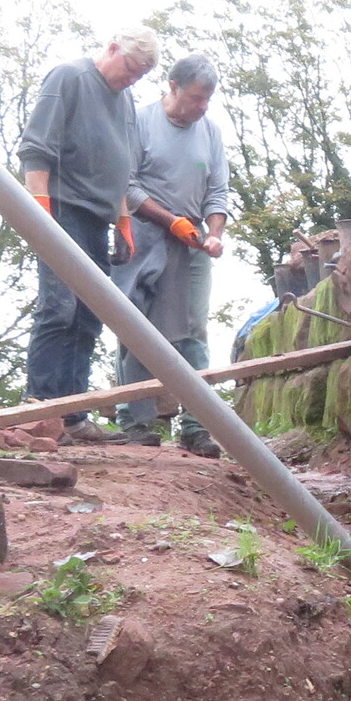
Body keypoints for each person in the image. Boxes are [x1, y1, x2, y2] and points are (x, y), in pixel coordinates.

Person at [16, 26, 158, 438]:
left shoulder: (124, 100)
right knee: (59, 308)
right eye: (129, 69)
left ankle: (73, 417)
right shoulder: (70, 78)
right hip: (62, 209)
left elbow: (121, 167)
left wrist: (124, 221)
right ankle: (39, 412)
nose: (131, 80)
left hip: (98, 218)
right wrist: (41, 214)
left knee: (88, 315)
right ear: (112, 48)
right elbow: (35, 149)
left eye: (140, 76)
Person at [111, 53, 231, 454]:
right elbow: (126, 186)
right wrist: (169, 221)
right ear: (173, 87)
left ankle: (197, 426)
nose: (202, 106)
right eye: (196, 98)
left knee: (193, 330)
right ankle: (134, 420)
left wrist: (213, 235)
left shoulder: (210, 132)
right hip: (143, 236)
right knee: (134, 323)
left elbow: (218, 191)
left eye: (208, 99)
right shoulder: (139, 122)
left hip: (192, 242)